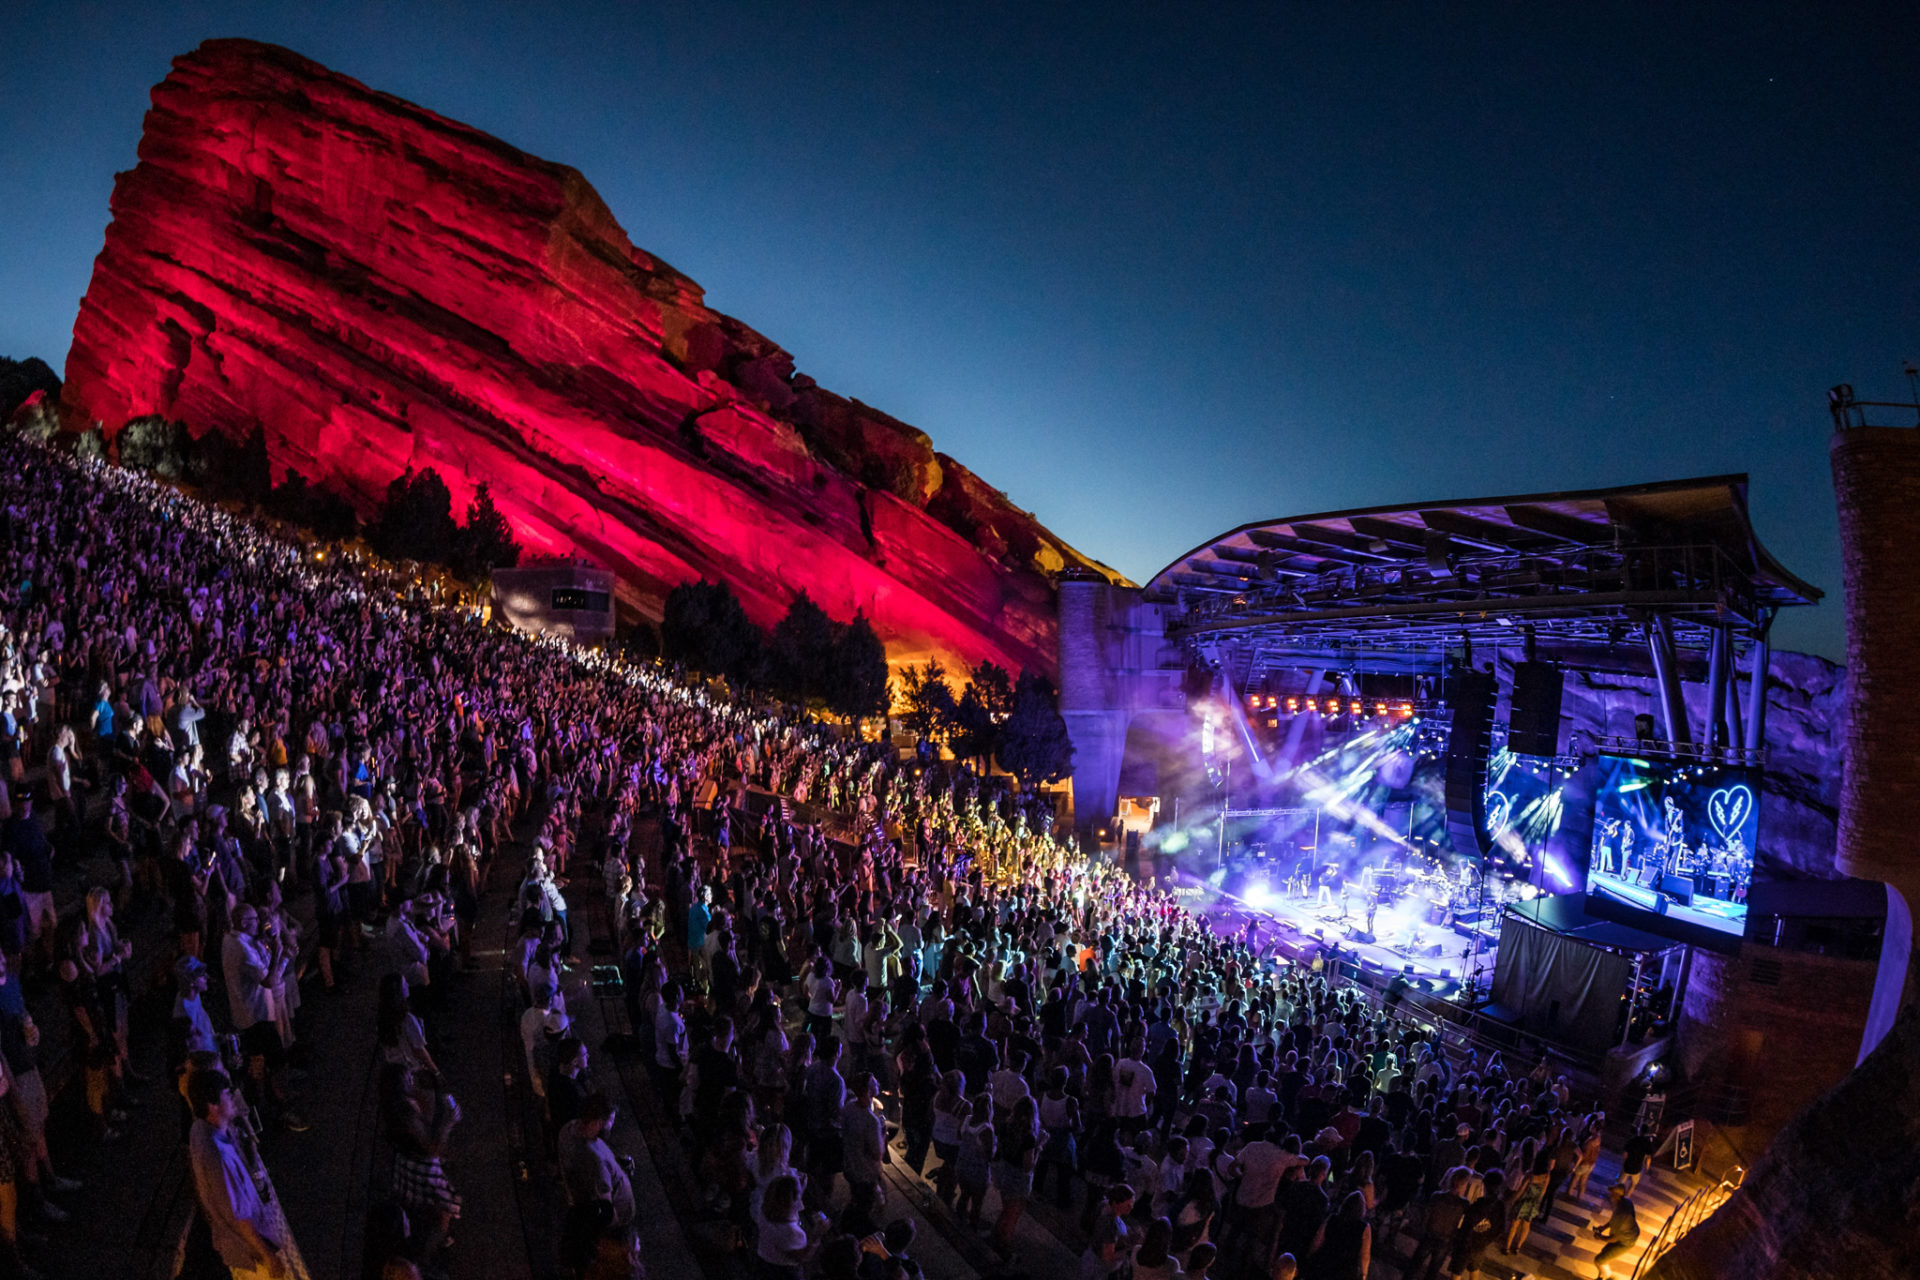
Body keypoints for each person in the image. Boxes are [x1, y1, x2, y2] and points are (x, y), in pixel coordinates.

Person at [186, 1069, 290, 1279]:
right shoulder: (218, 1156)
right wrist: (268, 1256)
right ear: (212, 1105)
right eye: (227, 1094)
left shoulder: (199, 1129)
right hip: (251, 1255)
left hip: (236, 1245)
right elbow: (239, 1217)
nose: (233, 1097)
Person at [1588, 1184, 1640, 1278]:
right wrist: (1603, 1228)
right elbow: (1613, 1220)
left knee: (1599, 1260)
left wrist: (1600, 1237)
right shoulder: (1626, 1202)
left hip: (1625, 1242)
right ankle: (1602, 1275)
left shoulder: (1622, 1216)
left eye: (1612, 1194)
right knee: (1604, 1254)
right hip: (1629, 1234)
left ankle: (1607, 1276)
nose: (1610, 1195)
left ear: (1617, 1195)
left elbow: (1613, 1239)